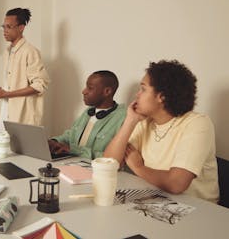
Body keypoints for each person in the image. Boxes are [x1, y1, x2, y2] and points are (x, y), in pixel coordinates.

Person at [104, 60, 219, 202]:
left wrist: (139, 167)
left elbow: (177, 183)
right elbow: (108, 163)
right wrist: (130, 121)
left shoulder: (198, 123)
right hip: (156, 200)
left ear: (162, 96)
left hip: (197, 209)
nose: (137, 95)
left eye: (143, 89)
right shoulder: (144, 121)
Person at [0, 8, 50, 132]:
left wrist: (7, 94)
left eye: (9, 27)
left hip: (24, 116)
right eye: (3, 26)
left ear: (21, 27)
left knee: (23, 151)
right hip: (7, 110)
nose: (5, 31)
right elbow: (13, 85)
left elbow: (39, 86)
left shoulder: (30, 52)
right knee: (4, 148)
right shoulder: (7, 52)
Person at [48, 71, 126, 159]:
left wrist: (74, 151)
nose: (84, 91)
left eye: (90, 88)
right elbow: (71, 135)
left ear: (107, 91)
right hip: (71, 164)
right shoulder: (88, 111)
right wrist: (53, 142)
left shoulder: (122, 118)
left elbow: (112, 157)